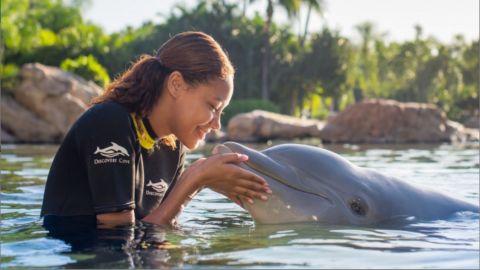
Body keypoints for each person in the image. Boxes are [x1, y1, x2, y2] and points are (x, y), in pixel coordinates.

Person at [41, 31, 272, 231]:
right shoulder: (111, 123)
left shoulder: (172, 148)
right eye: (213, 107)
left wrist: (199, 183)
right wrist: (194, 179)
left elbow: (157, 232)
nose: (216, 124)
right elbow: (116, 239)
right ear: (176, 84)